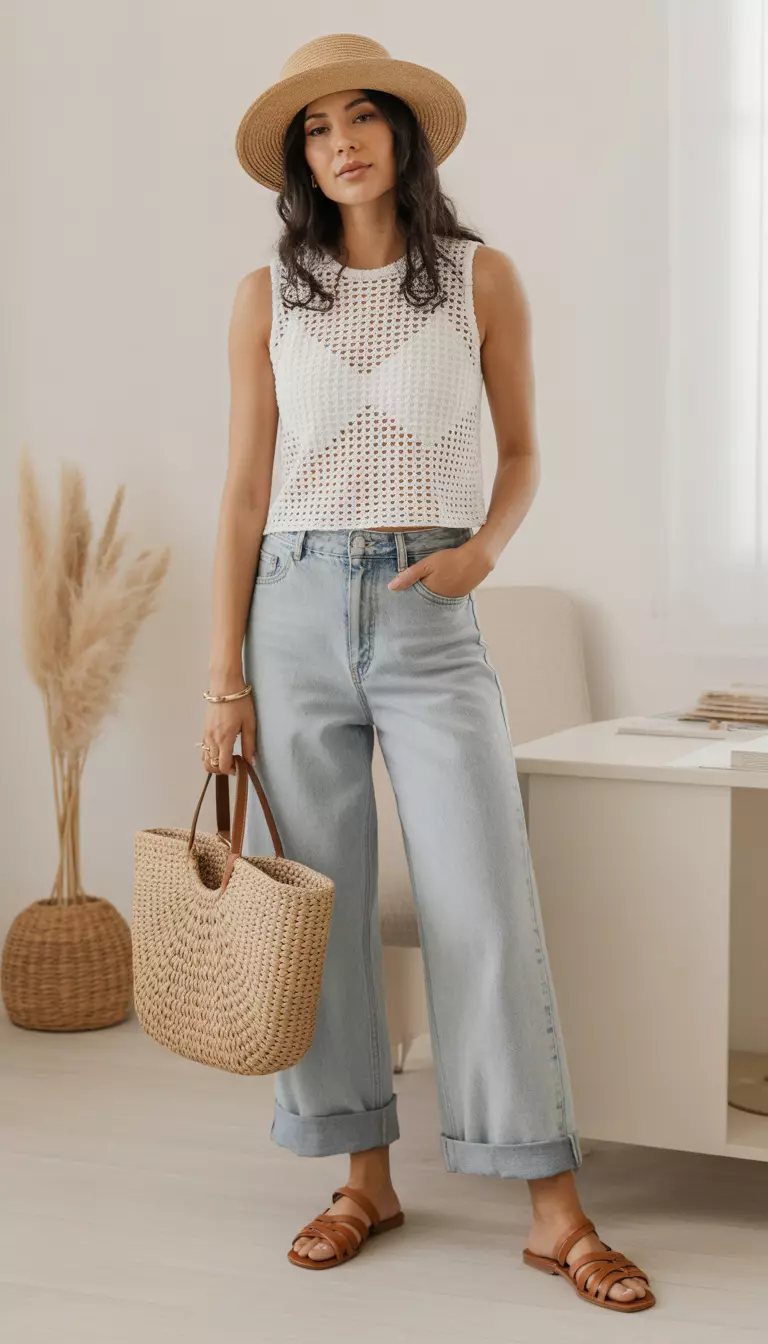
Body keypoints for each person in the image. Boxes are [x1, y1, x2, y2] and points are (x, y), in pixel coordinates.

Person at [200, 32, 655, 1314]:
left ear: (402, 135)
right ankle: (362, 1179)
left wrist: (484, 557)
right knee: (320, 909)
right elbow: (240, 493)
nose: (341, 143)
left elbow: (521, 452)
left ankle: (553, 1211)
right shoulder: (264, 294)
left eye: (361, 118)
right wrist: (220, 683)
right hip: (288, 607)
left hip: (426, 609)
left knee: (484, 904)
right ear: (300, 158)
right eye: (316, 129)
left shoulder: (477, 279)